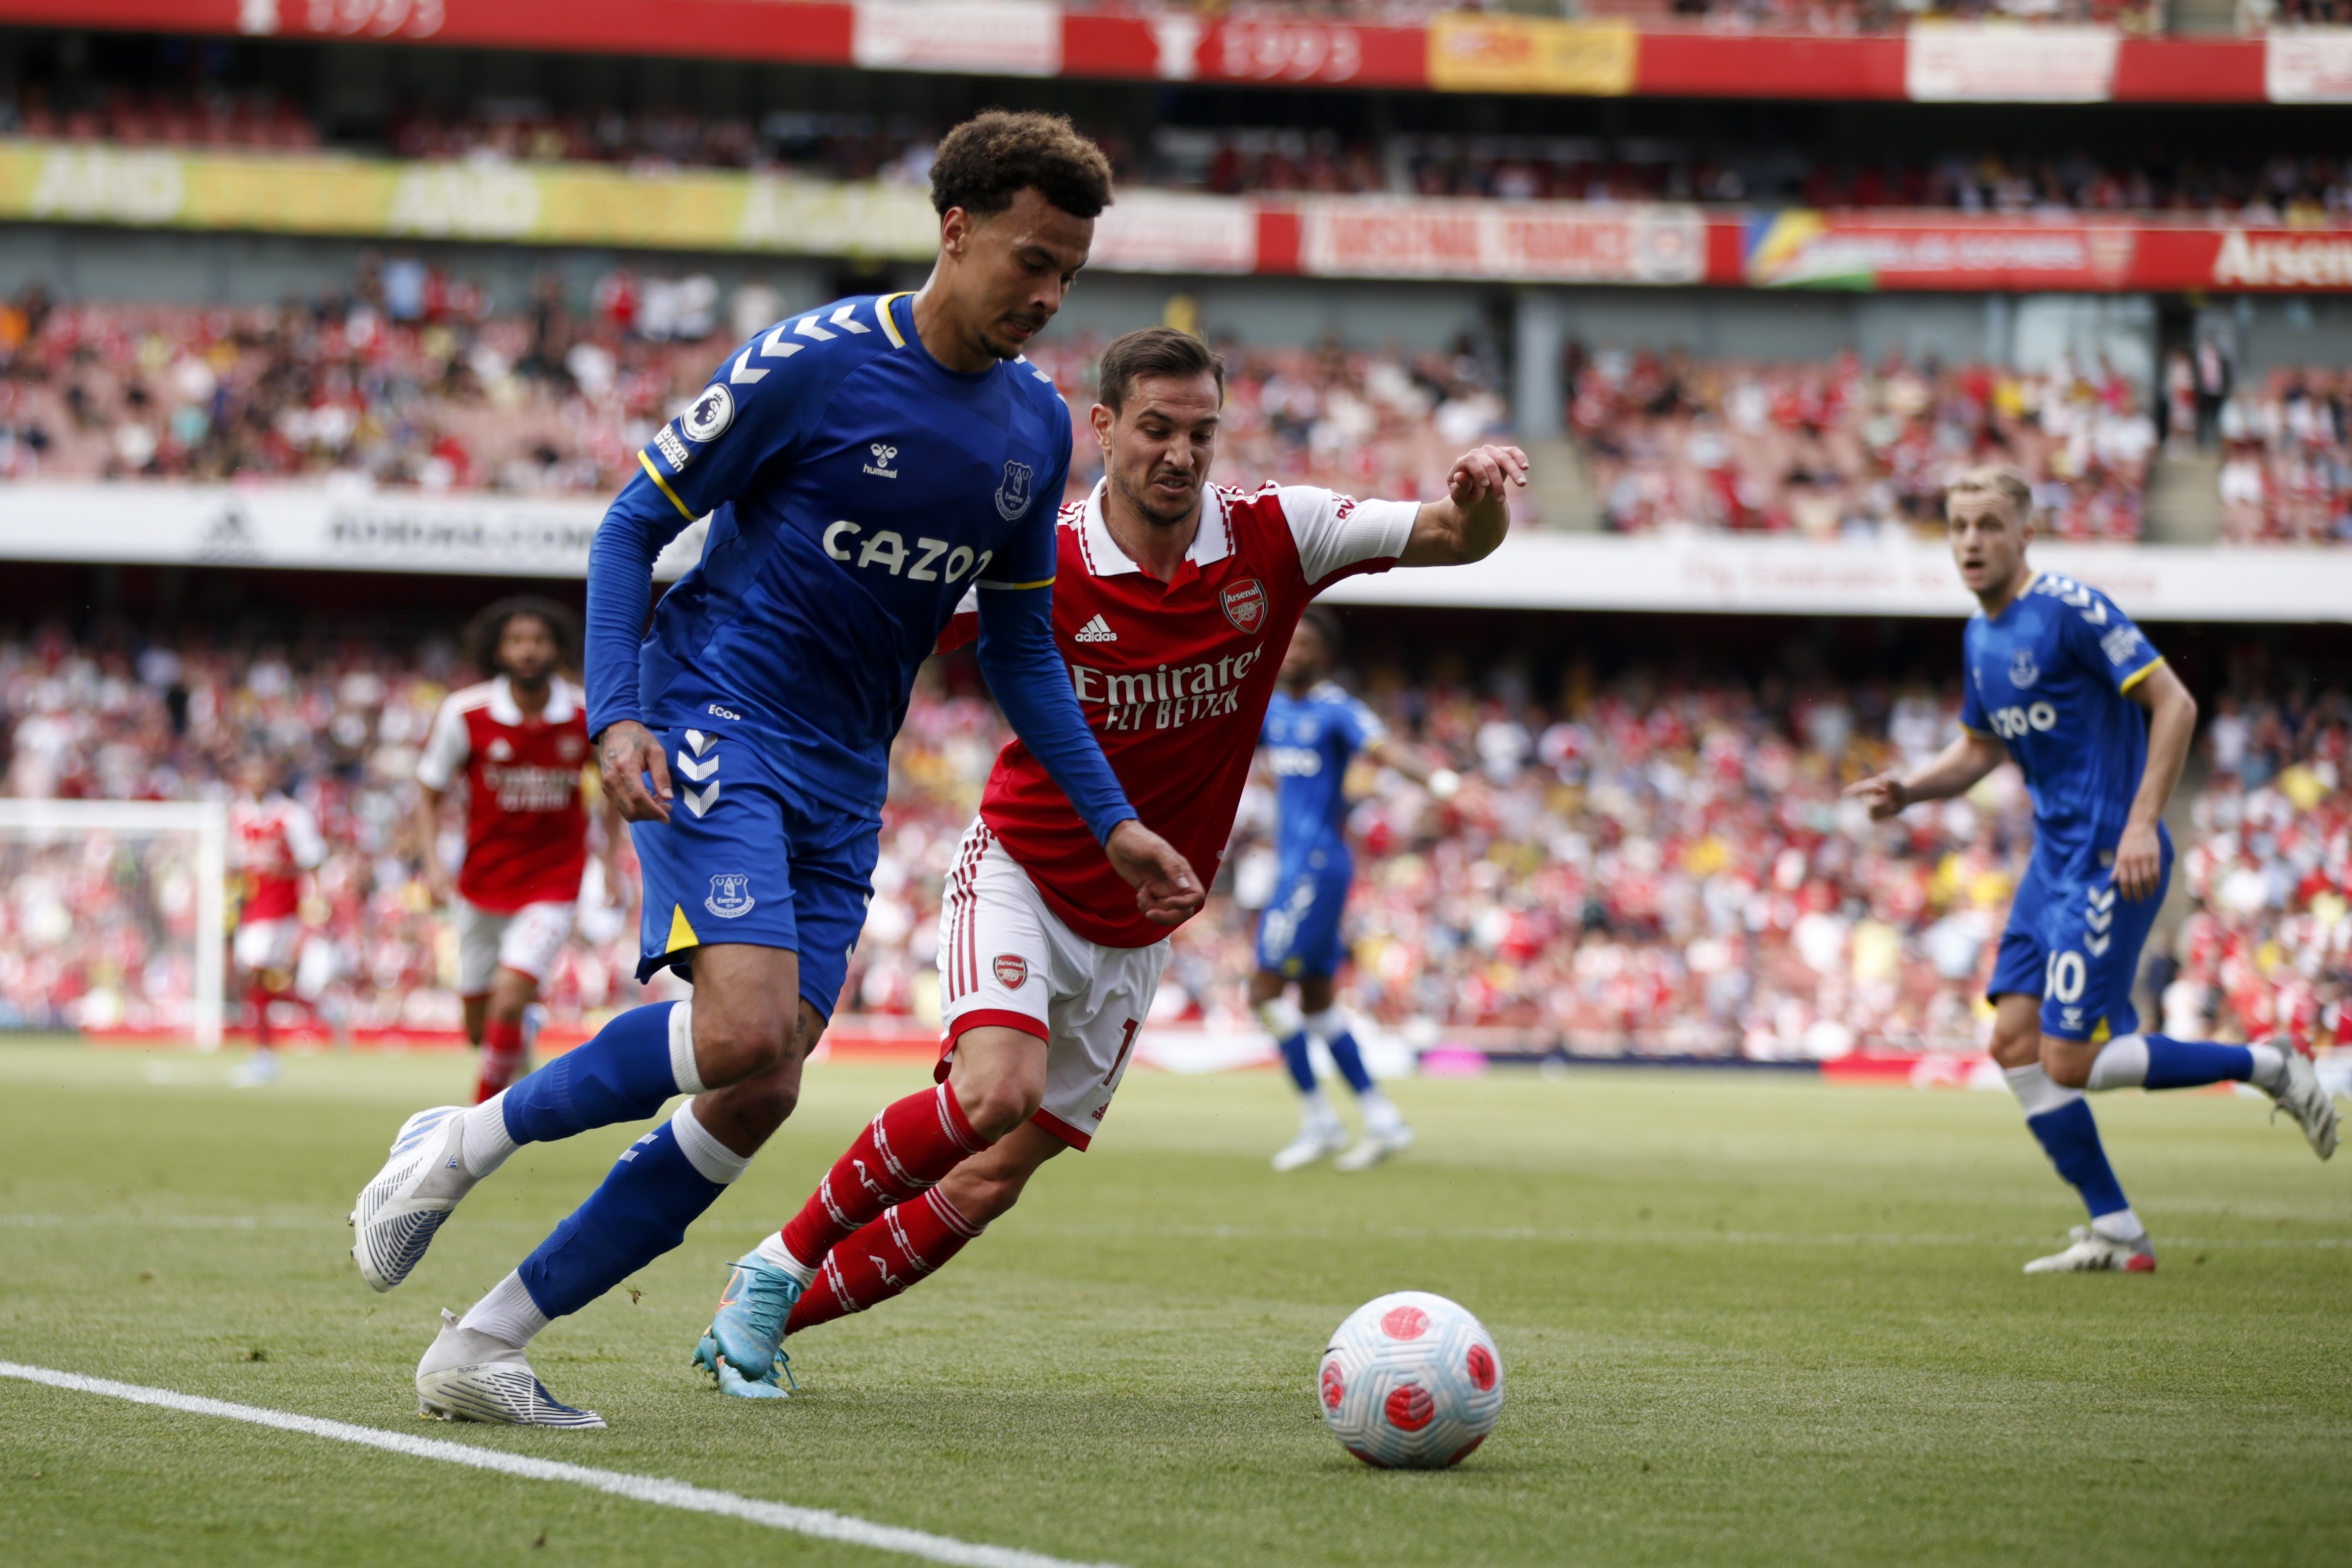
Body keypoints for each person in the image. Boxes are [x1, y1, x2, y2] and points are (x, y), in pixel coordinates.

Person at [346, 112, 1200, 1428]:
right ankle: (457, 1139)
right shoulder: (817, 363)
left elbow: (1022, 650)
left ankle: (482, 1342)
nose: (1045, 294)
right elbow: (634, 524)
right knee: (741, 1026)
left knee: (763, 1083)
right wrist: (616, 715)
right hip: (715, 707)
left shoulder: (1035, 430)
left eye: (1069, 275)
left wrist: (1115, 819)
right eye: (1030, 259)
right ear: (955, 229)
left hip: (844, 771)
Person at [685, 325, 1524, 1399]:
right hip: (1024, 869)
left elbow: (1457, 534)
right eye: (1156, 429)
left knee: (990, 1182)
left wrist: (1482, 490)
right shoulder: (1043, 553)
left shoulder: (1280, 531)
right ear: (1104, 428)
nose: (1178, 452)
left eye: (1200, 431)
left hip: (1137, 928)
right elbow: (877, 627)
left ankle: (758, 1323)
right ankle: (778, 1260)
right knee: (993, 1092)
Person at [1846, 466, 2335, 1276]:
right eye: (1958, 525)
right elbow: (1976, 747)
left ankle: (2267, 1065)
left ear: (2022, 533)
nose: (1970, 541)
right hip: (2051, 861)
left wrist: (2143, 820)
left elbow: (2173, 702)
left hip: (2112, 856)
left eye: (1987, 525)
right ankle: (2114, 1230)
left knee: (2066, 1060)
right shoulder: (1979, 637)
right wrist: (1909, 789)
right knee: (2011, 1043)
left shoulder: (2068, 609)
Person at [1255, 605, 1461, 1173]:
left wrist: (1439, 781)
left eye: (1306, 643)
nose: (1294, 650)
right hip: (1293, 866)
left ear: (1325, 654)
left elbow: (1386, 750)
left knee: (1264, 994)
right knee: (1318, 1005)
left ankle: (1319, 1120)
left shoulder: (1336, 710)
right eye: (1288, 640)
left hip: (1316, 867)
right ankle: (1380, 1118)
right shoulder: (1267, 706)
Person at [413, 597, 610, 1104]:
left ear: (557, 649)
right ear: (499, 649)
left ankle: (475, 1126)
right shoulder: (466, 712)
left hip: (553, 880)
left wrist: (609, 862)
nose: (529, 651)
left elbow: (612, 787)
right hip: (481, 883)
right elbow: (429, 793)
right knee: (480, 1028)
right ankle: (522, 1028)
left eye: (539, 640)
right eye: (518, 640)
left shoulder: (585, 714)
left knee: (506, 997)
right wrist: (434, 864)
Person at [227, 757, 326, 1087]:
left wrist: (314, 905)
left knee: (257, 975)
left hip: (283, 911)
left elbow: (312, 860)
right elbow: (235, 864)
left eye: (261, 772)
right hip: (252, 911)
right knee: (258, 983)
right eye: (250, 772)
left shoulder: (290, 816)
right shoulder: (238, 815)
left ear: (272, 776)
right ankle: (319, 1008)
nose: (255, 779)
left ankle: (264, 1059)